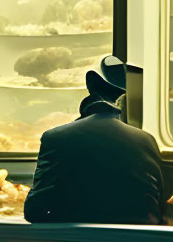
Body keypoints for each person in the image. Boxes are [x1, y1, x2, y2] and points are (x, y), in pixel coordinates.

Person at [25, 56, 164, 225]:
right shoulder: (147, 140)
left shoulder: (55, 137)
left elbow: (34, 210)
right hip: (137, 241)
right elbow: (158, 205)